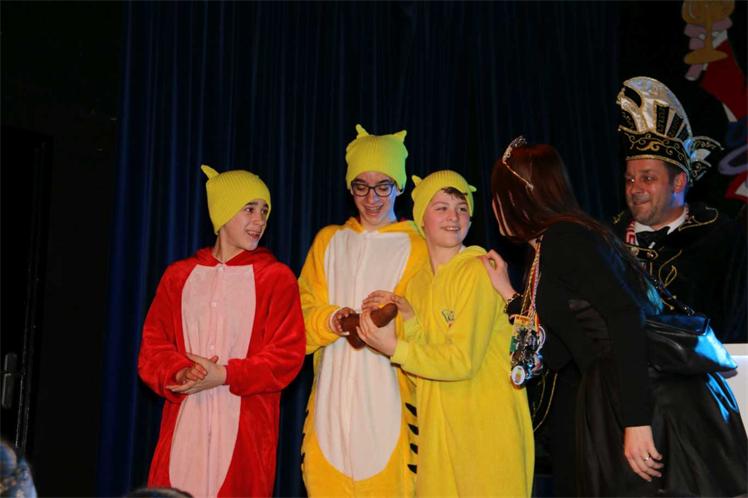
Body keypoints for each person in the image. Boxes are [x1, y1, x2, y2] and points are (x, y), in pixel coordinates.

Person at [481, 136, 747, 496]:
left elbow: (625, 316)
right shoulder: (547, 246)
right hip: (608, 396)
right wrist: (510, 296)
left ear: (516, 198)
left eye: (499, 197)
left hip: (631, 397)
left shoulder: (565, 238)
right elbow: (561, 349)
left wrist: (636, 422)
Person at [356, 170, 534, 497]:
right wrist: (410, 321)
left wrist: (394, 347)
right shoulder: (417, 284)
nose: (454, 216)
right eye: (441, 207)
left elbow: (461, 361)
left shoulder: (478, 270)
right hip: (437, 439)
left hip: (486, 434)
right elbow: (422, 373)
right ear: (420, 219)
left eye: (462, 208)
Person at [138, 165, 306, 497]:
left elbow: (287, 355)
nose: (259, 220)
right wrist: (180, 372)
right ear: (222, 212)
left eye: (264, 211)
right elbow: (153, 348)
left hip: (246, 432)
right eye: (249, 209)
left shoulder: (277, 278)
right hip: (186, 425)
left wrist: (227, 374)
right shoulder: (179, 276)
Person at [298, 124, 428, 497]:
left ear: (399, 186)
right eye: (361, 186)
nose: (372, 197)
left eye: (383, 186)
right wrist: (331, 320)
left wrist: (390, 326)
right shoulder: (328, 242)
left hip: (389, 410)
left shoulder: (419, 247)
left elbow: (428, 330)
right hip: (329, 413)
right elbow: (298, 317)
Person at [614, 76, 747, 343]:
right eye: (630, 179)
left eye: (648, 178)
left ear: (678, 182)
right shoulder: (607, 239)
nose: (635, 188)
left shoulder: (720, 241)